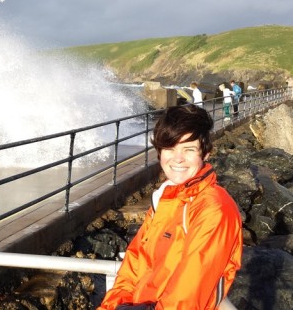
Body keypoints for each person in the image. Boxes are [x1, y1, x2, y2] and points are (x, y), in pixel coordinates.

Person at [98, 104, 243, 310]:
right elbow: (136, 262)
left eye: (189, 149)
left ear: (206, 153)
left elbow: (188, 292)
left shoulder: (213, 208)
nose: (177, 158)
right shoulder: (165, 197)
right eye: (170, 148)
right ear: (159, 151)